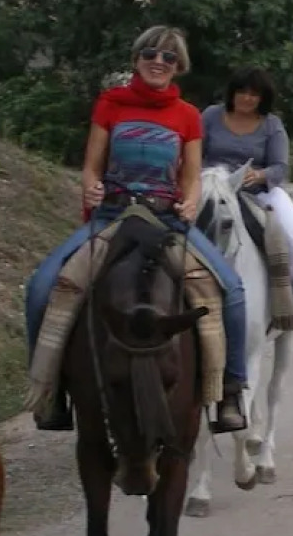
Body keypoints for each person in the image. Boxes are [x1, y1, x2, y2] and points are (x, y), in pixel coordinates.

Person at [23, 25, 248, 433]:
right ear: (136, 59)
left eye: (169, 57)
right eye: (151, 53)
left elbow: (192, 174)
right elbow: (92, 163)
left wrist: (191, 198)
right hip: (113, 216)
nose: (159, 62)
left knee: (231, 291)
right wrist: (89, 184)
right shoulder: (110, 104)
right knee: (41, 288)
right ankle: (50, 392)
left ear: (179, 66)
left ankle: (231, 389)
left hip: (166, 221)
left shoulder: (188, 116)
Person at [200, 66, 293, 326]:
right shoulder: (210, 115)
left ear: (263, 97)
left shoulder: (272, 125)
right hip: (211, 188)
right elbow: (195, 151)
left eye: (254, 94)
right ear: (232, 92)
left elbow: (280, 166)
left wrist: (260, 175)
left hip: (257, 191)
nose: (247, 98)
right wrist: (207, 176)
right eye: (242, 92)